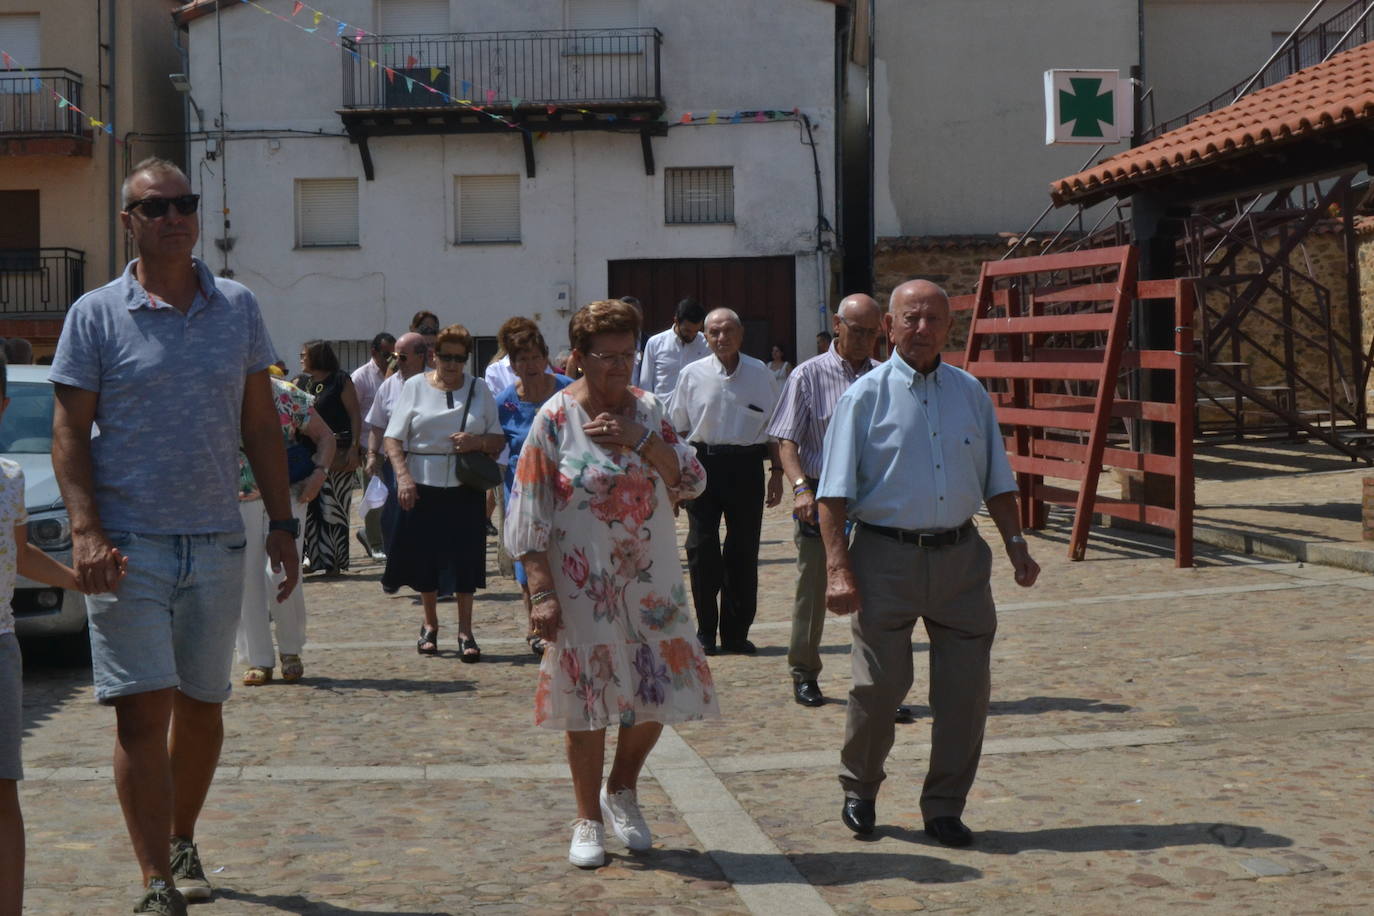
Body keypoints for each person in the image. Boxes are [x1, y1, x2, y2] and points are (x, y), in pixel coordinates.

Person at [50, 156, 296, 914]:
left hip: (219, 536)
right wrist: (86, 531)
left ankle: (183, 833)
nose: (174, 217)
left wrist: (284, 525)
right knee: (141, 708)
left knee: (202, 704)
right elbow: (70, 432)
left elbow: (261, 424)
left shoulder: (240, 307)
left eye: (184, 204)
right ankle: (156, 878)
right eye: (155, 208)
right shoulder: (95, 313)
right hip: (130, 545)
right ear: (129, 221)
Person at [817, 279, 1041, 846]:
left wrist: (1016, 545)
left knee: (966, 692)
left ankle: (945, 805)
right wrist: (838, 569)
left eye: (933, 320)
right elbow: (832, 494)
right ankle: (860, 787)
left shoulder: (970, 393)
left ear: (949, 328)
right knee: (880, 687)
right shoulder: (862, 397)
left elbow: (998, 481)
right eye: (910, 319)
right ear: (888, 328)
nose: (922, 329)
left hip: (961, 560)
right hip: (883, 558)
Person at [506, 299, 717, 869]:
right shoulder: (553, 419)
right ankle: (587, 819)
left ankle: (621, 787)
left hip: (653, 585)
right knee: (588, 702)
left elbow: (692, 479)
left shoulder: (648, 409)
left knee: (658, 695)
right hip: (584, 587)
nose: (621, 368)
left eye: (629, 355)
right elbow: (527, 515)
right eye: (607, 357)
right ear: (577, 358)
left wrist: (641, 440)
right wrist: (542, 591)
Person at [0, 353, 91, 916]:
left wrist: (78, 580)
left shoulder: (10, 479)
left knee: (3, 791)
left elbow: (21, 554)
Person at [766, 294, 881, 707]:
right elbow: (787, 440)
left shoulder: (884, 376)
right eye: (857, 330)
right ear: (837, 324)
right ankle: (803, 672)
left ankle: (880, 683)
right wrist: (800, 487)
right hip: (819, 491)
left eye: (872, 332)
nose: (864, 339)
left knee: (880, 592)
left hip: (870, 496)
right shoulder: (807, 376)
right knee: (814, 587)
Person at [383, 324, 503, 661]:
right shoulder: (414, 387)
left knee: (466, 559)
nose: (451, 364)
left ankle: (466, 631)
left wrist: (476, 442)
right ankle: (430, 624)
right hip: (422, 484)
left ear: (466, 359)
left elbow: (497, 439)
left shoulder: (481, 390)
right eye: (445, 356)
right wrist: (403, 478)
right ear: (434, 356)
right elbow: (393, 438)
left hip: (465, 486)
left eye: (459, 358)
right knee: (426, 558)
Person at [669, 308, 783, 655]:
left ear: (741, 333)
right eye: (714, 332)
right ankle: (705, 632)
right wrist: (675, 480)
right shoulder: (692, 374)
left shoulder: (760, 372)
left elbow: (775, 428)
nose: (721, 338)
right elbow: (677, 429)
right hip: (703, 464)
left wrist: (777, 473)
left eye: (727, 331)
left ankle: (736, 633)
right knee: (702, 549)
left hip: (747, 466)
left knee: (743, 550)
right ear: (705, 336)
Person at [235, 371, 336, 686]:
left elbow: (326, 436)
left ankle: (291, 650)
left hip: (290, 492)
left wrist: (320, 473)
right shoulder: (221, 394)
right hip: (239, 496)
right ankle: (258, 658)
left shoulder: (284, 393)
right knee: (248, 576)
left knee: (279, 572)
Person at [495, 325, 572, 655]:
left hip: (565, 490)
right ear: (512, 364)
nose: (530, 364)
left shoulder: (568, 391)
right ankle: (536, 625)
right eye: (522, 358)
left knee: (565, 557)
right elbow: (496, 441)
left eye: (536, 356)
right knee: (527, 561)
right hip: (522, 490)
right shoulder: (505, 403)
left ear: (546, 358)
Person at [294, 341, 362, 575]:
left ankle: (334, 560)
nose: (301, 358)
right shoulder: (300, 382)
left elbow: (354, 414)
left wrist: (354, 447)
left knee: (334, 507)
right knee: (310, 506)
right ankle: (312, 558)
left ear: (318, 356)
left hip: (338, 452)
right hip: (307, 454)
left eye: (305, 355)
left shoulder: (340, 381)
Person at [365, 332, 429, 558]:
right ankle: (395, 562)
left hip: (429, 461)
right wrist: (372, 454)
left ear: (421, 356)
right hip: (395, 463)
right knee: (392, 514)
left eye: (402, 357)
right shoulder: (388, 386)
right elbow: (377, 425)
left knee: (425, 518)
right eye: (393, 356)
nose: (395, 362)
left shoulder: (437, 383)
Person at [352, 332, 395, 560]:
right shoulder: (361, 377)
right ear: (374, 352)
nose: (391, 359)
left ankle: (381, 535)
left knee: (392, 496)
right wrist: (356, 446)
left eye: (394, 354)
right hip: (371, 444)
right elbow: (353, 413)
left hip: (394, 445)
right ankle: (375, 541)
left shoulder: (398, 375)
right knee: (374, 495)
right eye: (387, 354)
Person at [635, 297, 709, 400]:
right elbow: (645, 384)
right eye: (687, 331)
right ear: (676, 321)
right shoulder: (655, 343)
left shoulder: (707, 345)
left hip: (695, 413)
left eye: (696, 331)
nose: (692, 336)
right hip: (662, 413)